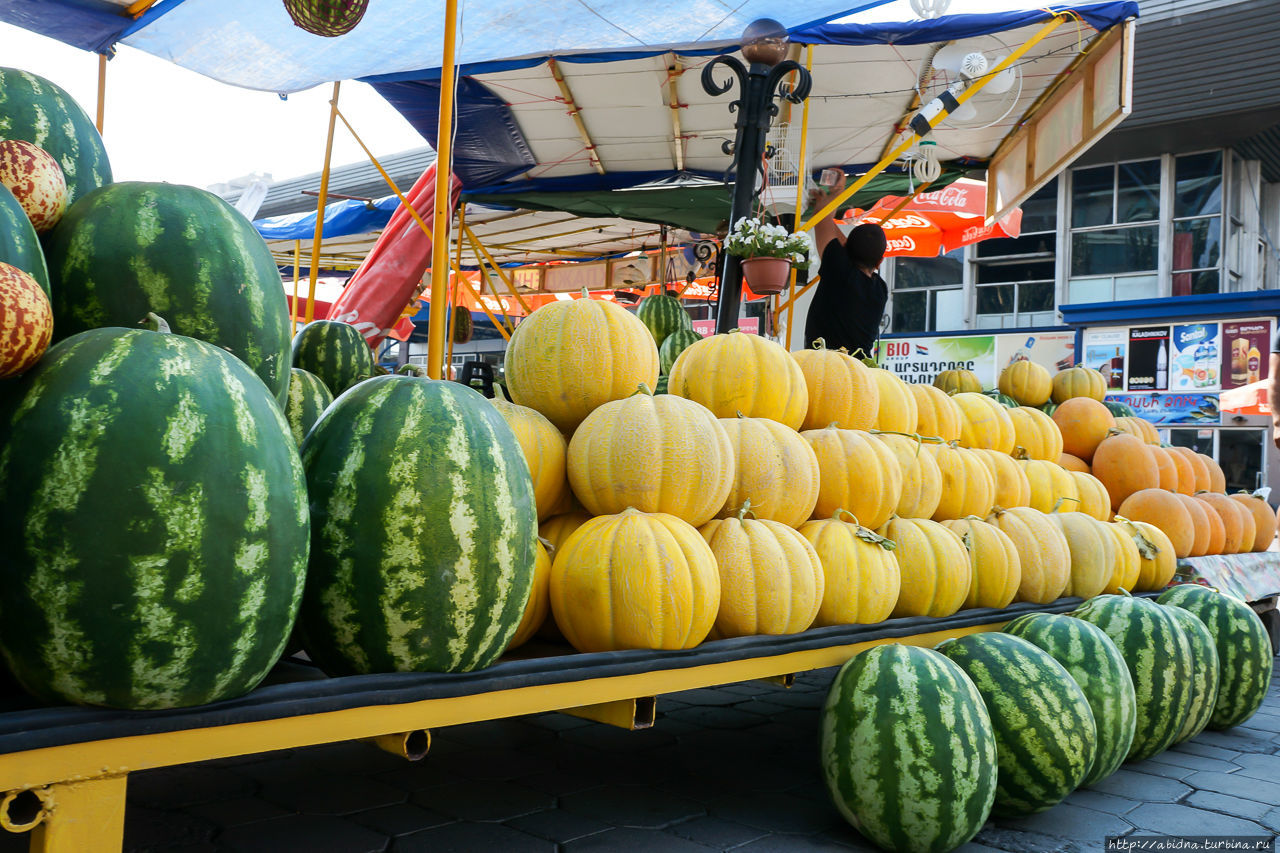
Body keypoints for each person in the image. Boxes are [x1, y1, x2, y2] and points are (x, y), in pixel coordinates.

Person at [803, 171, 888, 358]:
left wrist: (837, 192)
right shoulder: (880, 290)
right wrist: (826, 204)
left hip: (824, 367)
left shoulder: (840, 270)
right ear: (880, 262)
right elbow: (825, 222)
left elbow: (822, 219)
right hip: (860, 370)